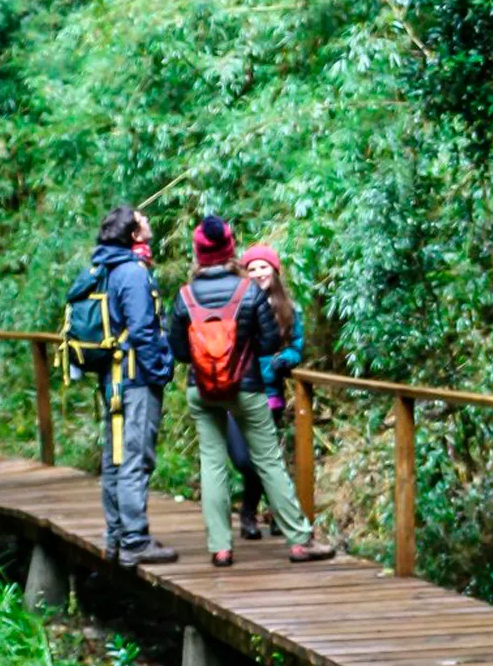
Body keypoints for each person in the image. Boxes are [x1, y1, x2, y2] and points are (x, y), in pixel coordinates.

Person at [168, 216, 336, 567]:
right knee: (269, 461)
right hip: (246, 388)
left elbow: (180, 352)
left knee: (212, 463)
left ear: (199, 253)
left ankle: (220, 547)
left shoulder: (184, 297)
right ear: (231, 251)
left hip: (201, 389)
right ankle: (299, 541)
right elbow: (269, 342)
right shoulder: (249, 292)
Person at [86, 205, 177, 566]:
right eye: (143, 220)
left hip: (113, 376)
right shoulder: (132, 273)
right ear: (135, 234)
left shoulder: (102, 267)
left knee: (116, 456)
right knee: (135, 456)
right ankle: (135, 540)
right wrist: (162, 368)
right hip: (135, 377)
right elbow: (142, 330)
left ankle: (116, 536)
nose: (149, 221)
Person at [231, 242, 305, 539]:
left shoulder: (289, 309)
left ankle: (262, 515)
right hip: (238, 391)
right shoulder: (237, 305)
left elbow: (297, 347)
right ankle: (254, 511)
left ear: (275, 270)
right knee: (244, 460)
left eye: (263, 267)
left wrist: (285, 360)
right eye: (252, 268)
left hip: (271, 394)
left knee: (268, 457)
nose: (259, 272)